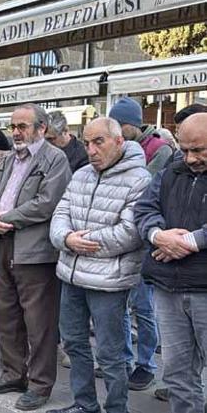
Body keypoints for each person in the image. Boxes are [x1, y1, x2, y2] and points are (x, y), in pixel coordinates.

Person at [47, 117, 151, 413]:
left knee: (110, 353)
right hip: (72, 275)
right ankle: (85, 405)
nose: (91, 149)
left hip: (110, 282)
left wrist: (83, 241)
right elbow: (60, 213)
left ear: (119, 142)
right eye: (87, 142)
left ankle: (117, 408)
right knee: (75, 344)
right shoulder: (81, 175)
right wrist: (66, 238)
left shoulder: (139, 179)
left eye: (98, 142)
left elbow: (130, 233)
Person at [0, 103, 71, 411]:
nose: (16, 132)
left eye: (23, 126)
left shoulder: (55, 159)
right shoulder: (6, 158)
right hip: (3, 243)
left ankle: (40, 384)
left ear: (41, 128)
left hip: (35, 252)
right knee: (6, 316)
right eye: (13, 126)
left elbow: (47, 202)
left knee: (39, 323)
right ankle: (13, 373)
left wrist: (6, 218)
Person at [134, 113, 207, 413]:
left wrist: (187, 242)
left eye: (199, 150)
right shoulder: (170, 172)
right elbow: (143, 209)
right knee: (177, 373)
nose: (190, 158)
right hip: (168, 288)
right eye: (184, 149)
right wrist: (157, 235)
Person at [109, 97, 165, 391]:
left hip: (145, 241)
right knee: (121, 307)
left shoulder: (159, 150)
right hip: (122, 241)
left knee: (143, 308)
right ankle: (124, 360)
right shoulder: (121, 148)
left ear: (129, 125)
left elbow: (148, 194)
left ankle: (146, 365)